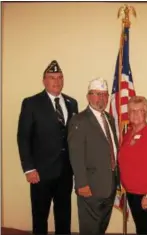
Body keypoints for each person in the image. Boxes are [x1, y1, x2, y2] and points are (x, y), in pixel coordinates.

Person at [17, 60, 78, 235]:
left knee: (64, 216)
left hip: (65, 172)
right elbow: (23, 137)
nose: (56, 81)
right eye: (52, 77)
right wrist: (29, 168)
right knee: (40, 217)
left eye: (59, 77)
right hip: (40, 173)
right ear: (44, 81)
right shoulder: (32, 103)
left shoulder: (71, 103)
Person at [68, 77, 119, 235]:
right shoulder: (79, 120)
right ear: (88, 96)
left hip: (109, 185)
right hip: (90, 187)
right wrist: (81, 184)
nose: (101, 98)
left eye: (104, 94)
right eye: (97, 94)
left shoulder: (109, 118)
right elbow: (76, 155)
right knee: (90, 229)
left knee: (101, 226)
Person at [118, 96, 147, 235]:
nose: (135, 114)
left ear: (146, 113)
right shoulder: (129, 134)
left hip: (144, 192)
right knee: (140, 226)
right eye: (132, 111)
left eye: (140, 110)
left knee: (143, 229)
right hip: (132, 190)